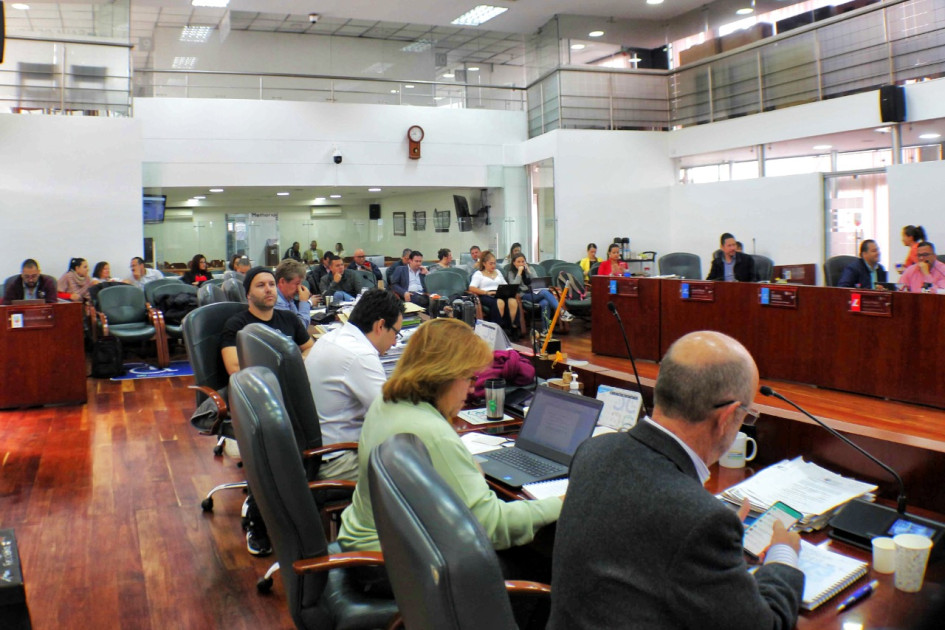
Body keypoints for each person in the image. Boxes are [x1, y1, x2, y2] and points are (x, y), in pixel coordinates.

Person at [549, 331, 804, 629]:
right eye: (746, 417)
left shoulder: (594, 451)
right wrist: (782, 553)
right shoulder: (701, 520)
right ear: (727, 418)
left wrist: (716, 545)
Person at [337, 318, 561, 588]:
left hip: (368, 546)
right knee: (547, 568)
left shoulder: (388, 401)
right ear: (443, 375)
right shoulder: (430, 431)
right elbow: (493, 526)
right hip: (394, 565)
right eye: (469, 377)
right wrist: (562, 501)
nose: (471, 388)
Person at [220, 266, 314, 556]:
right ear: (248, 292)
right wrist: (281, 373)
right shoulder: (236, 325)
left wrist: (295, 372)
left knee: (312, 442)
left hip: (291, 395)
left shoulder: (288, 319)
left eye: (272, 284)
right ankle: (258, 522)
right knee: (277, 451)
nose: (269, 289)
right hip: (255, 399)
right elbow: (235, 368)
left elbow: (309, 348)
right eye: (261, 285)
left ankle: (303, 509)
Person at [304, 289, 404, 480]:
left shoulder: (331, 337)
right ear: (380, 325)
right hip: (337, 460)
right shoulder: (360, 355)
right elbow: (391, 416)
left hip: (317, 450)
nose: (394, 343)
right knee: (416, 469)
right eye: (395, 333)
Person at [506, 252, 571, 330]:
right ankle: (562, 311)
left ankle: (545, 330)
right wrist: (519, 273)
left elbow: (536, 282)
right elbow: (514, 286)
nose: (521, 264)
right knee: (544, 292)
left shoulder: (530, 269)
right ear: (514, 263)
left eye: (523, 261)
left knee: (545, 302)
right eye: (518, 262)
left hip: (535, 293)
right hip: (523, 295)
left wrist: (529, 272)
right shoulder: (511, 273)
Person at [469, 250, 517, 329]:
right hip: (486, 295)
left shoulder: (498, 272)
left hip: (499, 293)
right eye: (490, 263)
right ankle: (498, 327)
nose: (493, 266)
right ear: (484, 263)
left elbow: (505, 284)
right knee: (499, 302)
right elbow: (471, 288)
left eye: (494, 263)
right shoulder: (478, 274)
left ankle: (511, 326)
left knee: (512, 301)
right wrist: (485, 292)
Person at [274, 259, 315, 328]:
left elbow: (297, 321)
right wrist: (304, 302)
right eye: (297, 283)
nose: (299, 288)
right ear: (282, 282)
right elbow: (299, 329)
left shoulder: (288, 298)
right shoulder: (277, 302)